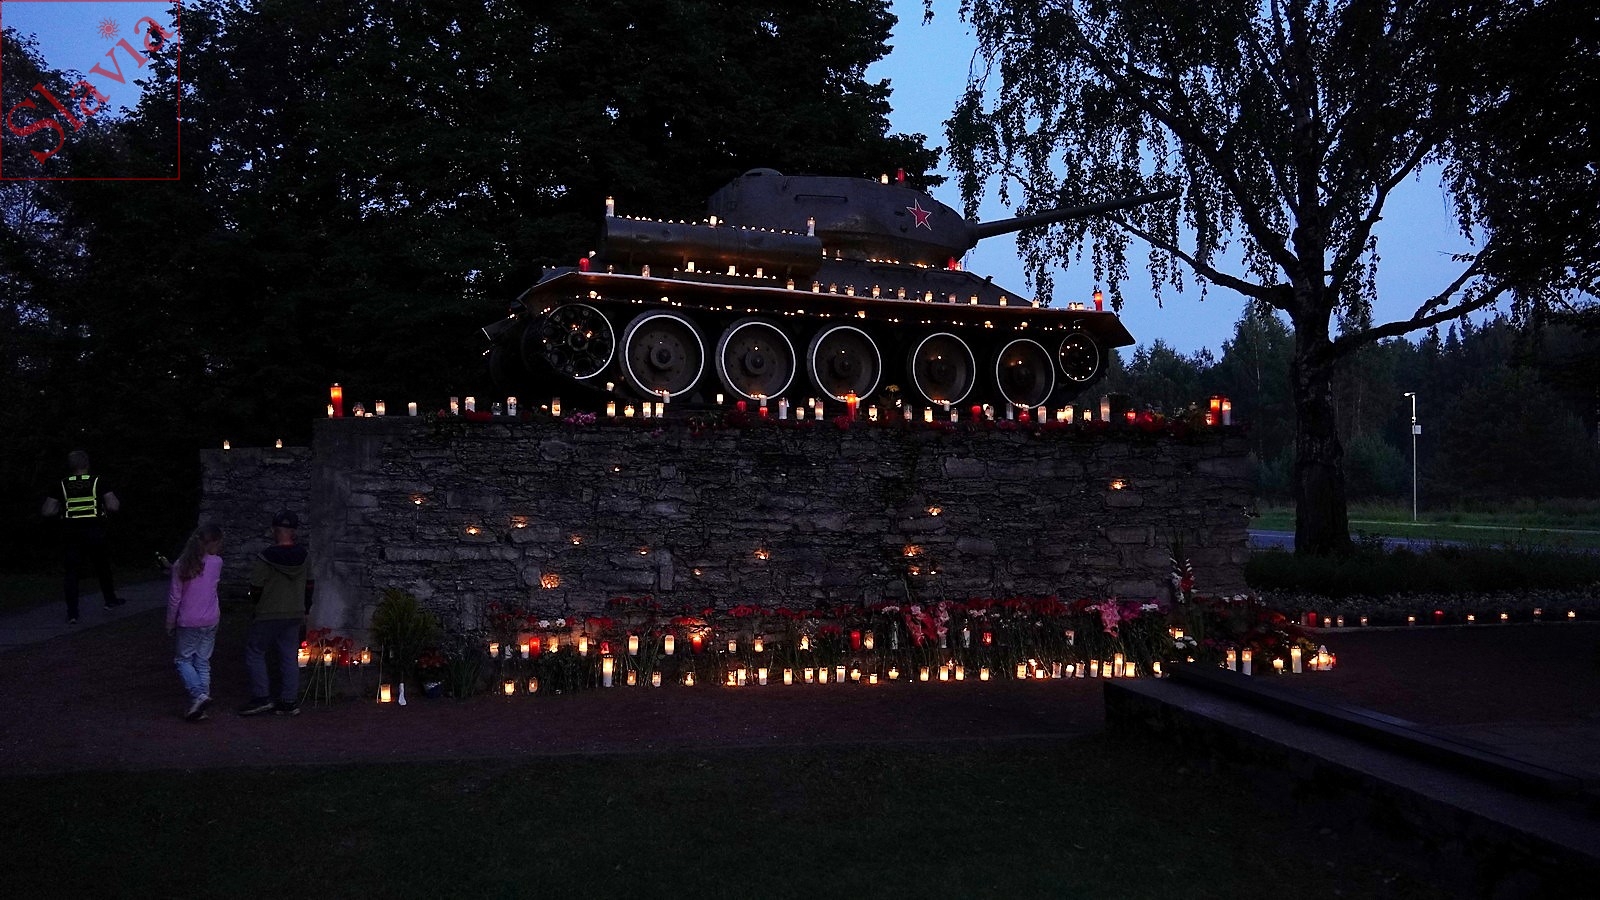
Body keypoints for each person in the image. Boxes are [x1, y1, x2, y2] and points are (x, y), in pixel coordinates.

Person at [239, 510, 313, 717]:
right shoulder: (304, 557)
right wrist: (306, 608)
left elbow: (256, 586)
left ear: (274, 530)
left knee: (255, 651)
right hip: (294, 611)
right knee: (289, 656)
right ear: (294, 531)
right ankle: (289, 701)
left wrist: (255, 604)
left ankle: (261, 698)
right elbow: (310, 584)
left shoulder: (265, 557)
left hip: (268, 612)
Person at [40, 450, 123, 624]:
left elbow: (47, 511)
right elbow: (113, 506)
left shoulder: (61, 484)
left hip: (71, 533)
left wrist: (61, 510)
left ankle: (72, 613)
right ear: (87, 463)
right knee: (102, 566)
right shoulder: (98, 481)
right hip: (94, 531)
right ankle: (110, 600)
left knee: (71, 572)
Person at [167, 524, 223, 722]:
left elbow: (175, 597)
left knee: (183, 660)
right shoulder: (217, 562)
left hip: (189, 620)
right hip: (210, 619)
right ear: (213, 543)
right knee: (202, 662)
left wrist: (170, 622)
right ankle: (200, 705)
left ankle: (198, 695)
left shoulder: (180, 566)